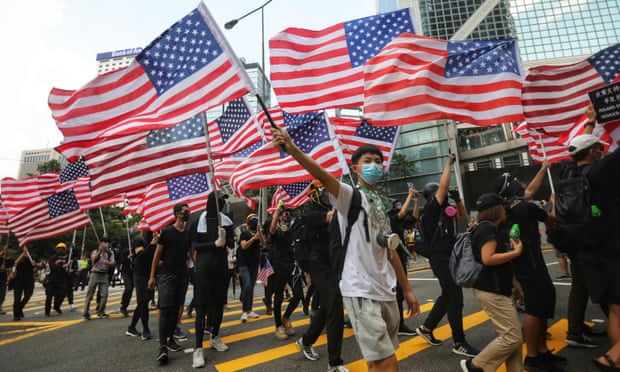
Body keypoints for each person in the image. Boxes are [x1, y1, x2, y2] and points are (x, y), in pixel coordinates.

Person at [272, 125, 420, 372]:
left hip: (385, 290)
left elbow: (390, 250)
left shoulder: (380, 207)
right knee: (387, 364)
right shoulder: (350, 196)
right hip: (361, 290)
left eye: (377, 161)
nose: (373, 165)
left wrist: (407, 290)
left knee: (379, 361)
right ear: (355, 168)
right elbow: (321, 173)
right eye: (367, 161)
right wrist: (292, 149)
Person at [561, 106, 620, 371]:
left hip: (584, 251)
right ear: (595, 152)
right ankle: (613, 358)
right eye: (599, 148)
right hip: (610, 248)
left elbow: (578, 148)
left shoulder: (567, 176)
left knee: (614, 308)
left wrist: (590, 122)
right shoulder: (602, 172)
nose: (602, 150)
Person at [494, 167, 565, 372]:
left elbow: (530, 191)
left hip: (523, 263)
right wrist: (553, 201)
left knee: (542, 303)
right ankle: (533, 357)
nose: (522, 184)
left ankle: (542, 351)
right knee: (536, 307)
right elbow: (551, 218)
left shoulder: (507, 208)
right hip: (531, 262)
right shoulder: (524, 208)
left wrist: (543, 169)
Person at [416, 158, 480, 358]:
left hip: (449, 257)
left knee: (448, 294)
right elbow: (442, 187)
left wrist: (458, 198)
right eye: (439, 193)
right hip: (440, 259)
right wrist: (448, 164)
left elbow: (461, 216)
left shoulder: (444, 211)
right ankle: (459, 342)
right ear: (432, 196)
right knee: (455, 297)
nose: (443, 194)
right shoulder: (431, 211)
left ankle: (427, 328)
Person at [459, 193, 524, 372]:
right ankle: (476, 366)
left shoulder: (483, 227)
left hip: (495, 288)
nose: (506, 210)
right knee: (512, 337)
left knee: (512, 337)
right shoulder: (487, 229)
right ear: (496, 209)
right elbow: (488, 259)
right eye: (503, 207)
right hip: (492, 290)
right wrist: (516, 252)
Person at [294, 180, 348, 372]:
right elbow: (334, 217)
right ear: (316, 194)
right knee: (335, 309)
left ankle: (305, 341)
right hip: (319, 267)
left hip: (332, 265)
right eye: (324, 190)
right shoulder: (314, 215)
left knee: (327, 308)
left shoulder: (327, 210)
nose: (328, 193)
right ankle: (334, 363)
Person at [190, 191, 234, 368]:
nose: (220, 204)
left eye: (222, 201)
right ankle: (198, 348)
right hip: (203, 269)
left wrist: (226, 239)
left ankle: (215, 335)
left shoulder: (227, 221)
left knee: (218, 305)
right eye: (217, 200)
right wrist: (214, 243)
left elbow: (231, 243)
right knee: (201, 307)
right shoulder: (197, 223)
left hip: (221, 269)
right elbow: (195, 245)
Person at [148, 203, 192, 364]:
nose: (188, 213)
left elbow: (191, 254)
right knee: (165, 308)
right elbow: (156, 255)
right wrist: (152, 276)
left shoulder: (188, 233)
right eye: (185, 211)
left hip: (182, 275)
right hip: (166, 275)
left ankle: (170, 338)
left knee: (176, 310)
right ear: (178, 214)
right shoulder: (166, 232)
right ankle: (162, 347)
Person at [388, 185, 420, 336]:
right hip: (391, 259)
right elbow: (401, 214)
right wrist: (410, 195)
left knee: (399, 292)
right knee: (396, 292)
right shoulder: (389, 220)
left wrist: (416, 201)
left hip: (400, 257)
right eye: (396, 205)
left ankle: (398, 324)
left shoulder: (398, 222)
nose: (398, 207)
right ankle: (396, 324)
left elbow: (413, 217)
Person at [268, 205, 304, 340]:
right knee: (278, 298)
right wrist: (277, 211)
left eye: (288, 213)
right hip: (278, 268)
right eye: (283, 213)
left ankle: (286, 317)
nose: (286, 215)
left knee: (299, 294)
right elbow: (271, 230)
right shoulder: (276, 231)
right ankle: (278, 326)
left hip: (292, 268)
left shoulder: (292, 231)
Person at [126, 233, 155, 340]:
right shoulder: (139, 253)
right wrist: (151, 245)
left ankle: (131, 327)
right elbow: (142, 256)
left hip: (146, 278)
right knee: (143, 302)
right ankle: (145, 329)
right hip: (140, 278)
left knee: (143, 302)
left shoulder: (142, 251)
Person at [238, 213, 264, 322]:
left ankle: (249, 309)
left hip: (254, 264)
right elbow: (244, 246)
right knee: (247, 285)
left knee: (250, 287)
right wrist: (253, 238)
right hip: (244, 264)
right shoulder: (244, 234)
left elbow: (263, 244)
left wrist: (259, 234)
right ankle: (244, 311)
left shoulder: (258, 234)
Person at [83, 237, 115, 320]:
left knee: (104, 294)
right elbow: (93, 260)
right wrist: (100, 251)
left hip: (104, 274)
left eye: (107, 242)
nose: (106, 244)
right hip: (95, 274)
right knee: (90, 294)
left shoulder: (110, 252)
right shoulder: (95, 251)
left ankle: (101, 312)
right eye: (104, 242)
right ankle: (86, 313)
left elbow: (113, 262)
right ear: (100, 243)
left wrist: (109, 263)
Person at [46, 242, 70, 316]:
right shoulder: (53, 258)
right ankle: (47, 311)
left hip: (62, 279)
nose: (61, 250)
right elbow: (53, 266)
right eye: (59, 249)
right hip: (52, 279)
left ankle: (57, 306)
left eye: (62, 249)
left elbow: (72, 261)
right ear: (56, 249)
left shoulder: (67, 258)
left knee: (62, 294)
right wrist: (62, 266)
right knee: (49, 296)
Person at [12, 245, 36, 321]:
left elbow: (37, 266)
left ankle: (20, 308)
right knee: (17, 298)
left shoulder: (32, 257)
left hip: (29, 280)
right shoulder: (19, 256)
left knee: (28, 295)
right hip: (18, 280)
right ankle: (16, 315)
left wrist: (34, 264)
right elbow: (15, 263)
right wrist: (23, 254)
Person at [119, 244, 135, 317]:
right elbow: (122, 262)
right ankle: (123, 305)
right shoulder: (126, 251)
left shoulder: (138, 252)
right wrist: (128, 258)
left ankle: (125, 305)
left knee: (131, 289)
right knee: (128, 288)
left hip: (134, 273)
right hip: (126, 273)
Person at [0, 244, 14, 315]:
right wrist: (3, 251)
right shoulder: (1, 258)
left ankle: (0, 307)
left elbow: (10, 269)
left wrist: (5, 269)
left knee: (2, 295)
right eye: (7, 249)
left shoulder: (11, 260)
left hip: (3, 279)